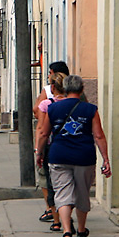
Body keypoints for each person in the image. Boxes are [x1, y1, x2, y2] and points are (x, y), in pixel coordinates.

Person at [36, 74, 111, 237]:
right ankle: (82, 229)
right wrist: (105, 159)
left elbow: (43, 133)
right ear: (82, 89)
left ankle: (67, 231)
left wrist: (39, 153)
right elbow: (98, 136)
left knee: (62, 193)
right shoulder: (90, 109)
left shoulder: (53, 109)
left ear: (65, 89)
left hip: (59, 155)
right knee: (82, 193)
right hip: (84, 157)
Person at [33, 61, 70, 224]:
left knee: (47, 179)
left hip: (51, 145)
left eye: (49, 72)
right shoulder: (76, 93)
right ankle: (67, 215)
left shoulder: (47, 95)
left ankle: (53, 214)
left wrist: (38, 151)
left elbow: (41, 125)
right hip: (72, 143)